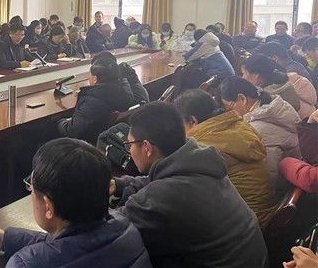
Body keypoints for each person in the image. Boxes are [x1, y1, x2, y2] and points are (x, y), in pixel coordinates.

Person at [0, 138, 152, 268]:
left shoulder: (27, 264)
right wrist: (8, 239)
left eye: (31, 188)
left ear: (49, 207)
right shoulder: (126, 228)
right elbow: (74, 246)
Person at [110, 102, 268, 268]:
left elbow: (112, 231)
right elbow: (160, 180)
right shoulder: (202, 164)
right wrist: (119, 185)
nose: (130, 151)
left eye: (130, 145)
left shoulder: (161, 196)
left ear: (146, 147)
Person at [174, 88, 277, 225]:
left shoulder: (202, 145)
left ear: (193, 121)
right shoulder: (239, 125)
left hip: (247, 223)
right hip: (265, 212)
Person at [219, 76, 300, 193]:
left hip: (288, 188)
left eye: (228, 107)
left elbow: (270, 175)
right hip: (297, 173)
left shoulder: (256, 129)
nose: (229, 113)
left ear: (242, 99)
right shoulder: (278, 106)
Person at [57, 55, 148, 144]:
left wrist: (61, 121)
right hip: (118, 137)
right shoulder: (126, 92)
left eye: (90, 75)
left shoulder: (92, 101)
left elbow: (72, 130)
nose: (89, 78)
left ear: (95, 79)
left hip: (94, 142)